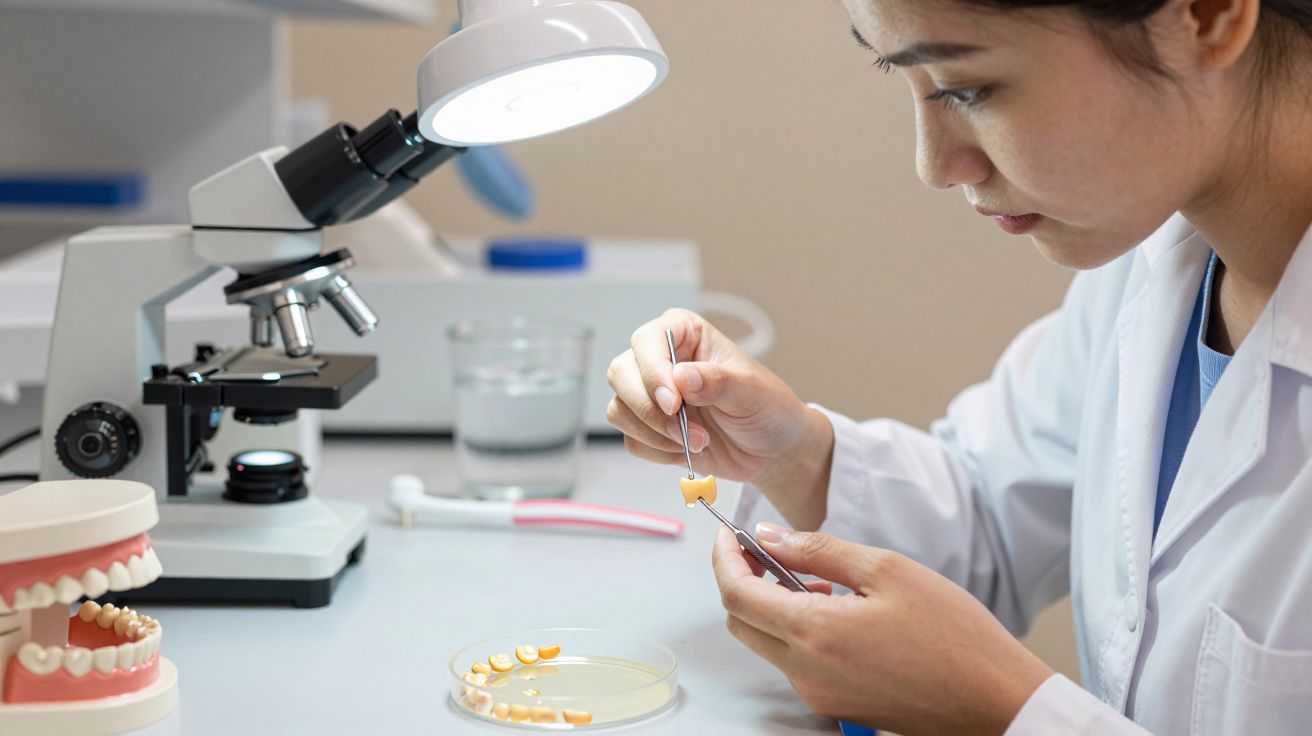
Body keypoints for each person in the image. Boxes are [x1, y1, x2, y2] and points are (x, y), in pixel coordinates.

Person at [604, 1, 1312, 733]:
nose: (934, 165)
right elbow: (995, 514)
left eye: (967, 89)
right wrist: (795, 455)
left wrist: (1000, 710)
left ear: (1207, 15)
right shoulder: (1156, 258)